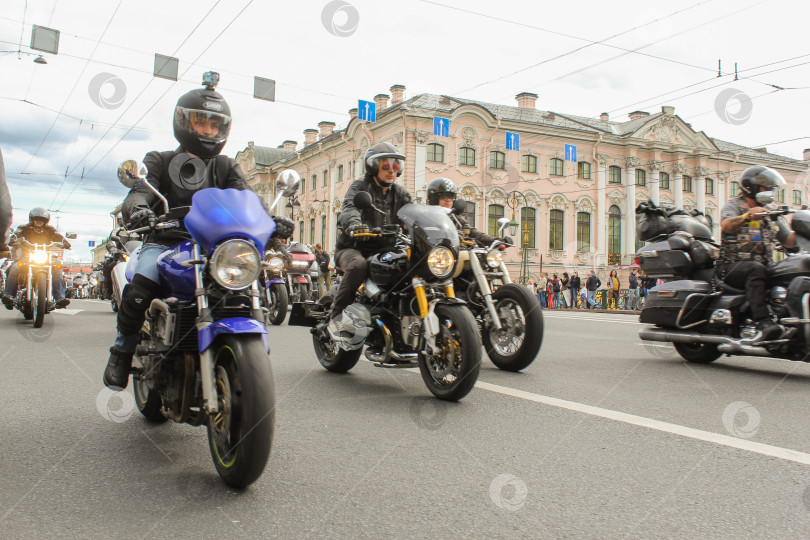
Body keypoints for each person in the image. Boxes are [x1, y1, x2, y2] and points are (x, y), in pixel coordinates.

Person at [102, 74, 294, 390]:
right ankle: (121, 352)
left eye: (214, 125)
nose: (207, 131)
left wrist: (271, 221)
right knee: (139, 290)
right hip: (166, 242)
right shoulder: (160, 160)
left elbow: (248, 199)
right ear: (184, 123)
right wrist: (139, 209)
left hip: (215, 247)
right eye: (200, 123)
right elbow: (139, 191)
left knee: (243, 290)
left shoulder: (226, 166)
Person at [328, 142, 413, 333]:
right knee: (358, 266)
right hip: (354, 247)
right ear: (373, 166)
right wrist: (355, 225)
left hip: (386, 249)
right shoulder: (360, 187)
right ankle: (337, 317)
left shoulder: (401, 193)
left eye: (396, 165)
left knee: (412, 262)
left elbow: (412, 215)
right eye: (386, 165)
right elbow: (350, 208)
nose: (392, 170)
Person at [719, 165, 796, 341]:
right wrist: (747, 216)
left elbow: (788, 240)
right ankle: (764, 322)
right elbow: (726, 225)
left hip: (762, 266)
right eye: (765, 188)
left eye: (771, 188)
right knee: (757, 269)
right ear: (751, 187)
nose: (769, 191)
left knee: (790, 269)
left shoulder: (771, 212)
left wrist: (802, 232)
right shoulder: (736, 205)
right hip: (731, 266)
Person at [2, 207, 71, 309]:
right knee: (15, 267)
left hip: (46, 256)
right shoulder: (24, 228)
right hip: (27, 256)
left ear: (45, 221)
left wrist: (64, 242)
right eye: (36, 219)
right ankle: (9, 296)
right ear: (32, 219)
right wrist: (13, 239)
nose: (39, 221)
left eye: (42, 219)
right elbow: (17, 234)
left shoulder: (50, 230)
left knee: (57, 267)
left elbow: (57, 236)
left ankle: (59, 297)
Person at [426, 177, 510, 246]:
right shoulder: (427, 217)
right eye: (443, 196)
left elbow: (474, 233)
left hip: (458, 252)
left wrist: (496, 241)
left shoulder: (455, 217)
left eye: (450, 197)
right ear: (434, 198)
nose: (448, 199)